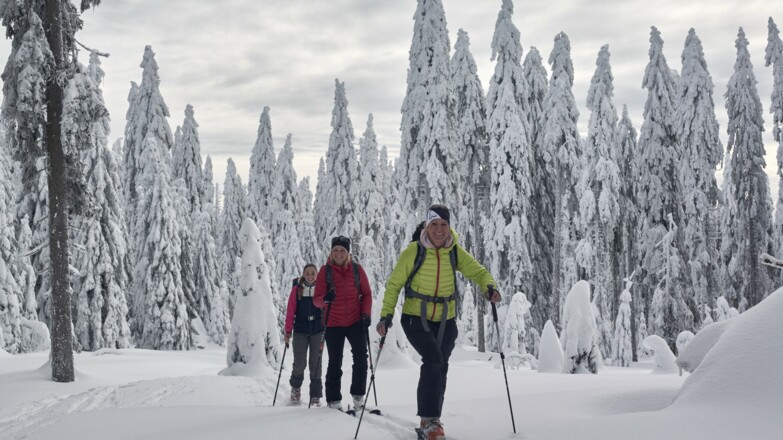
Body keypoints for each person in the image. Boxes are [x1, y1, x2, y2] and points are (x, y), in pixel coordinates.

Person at [376, 204, 500, 440]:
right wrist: (386, 315)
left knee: (441, 365)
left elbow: (478, 271)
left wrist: (489, 287)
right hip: (415, 317)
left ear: (449, 226)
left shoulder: (454, 251)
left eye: (444, 224)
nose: (439, 230)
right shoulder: (414, 251)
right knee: (433, 360)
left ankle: (431, 419)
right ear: (427, 225)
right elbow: (394, 284)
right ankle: (429, 421)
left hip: (446, 319)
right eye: (435, 224)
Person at [313, 236, 373, 412]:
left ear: (348, 253)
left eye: (342, 250)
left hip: (355, 321)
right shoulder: (325, 271)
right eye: (335, 250)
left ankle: (358, 396)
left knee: (361, 358)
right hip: (333, 322)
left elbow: (367, 294)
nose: (338, 253)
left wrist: (366, 314)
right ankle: (333, 399)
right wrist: (325, 299)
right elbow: (316, 300)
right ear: (331, 252)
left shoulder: (357, 270)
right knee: (335, 361)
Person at [284, 264, 323, 406]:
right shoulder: (297, 290)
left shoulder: (321, 289)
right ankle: (296, 389)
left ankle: (315, 396)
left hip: (317, 331)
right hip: (300, 331)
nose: (310, 276)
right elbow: (290, 312)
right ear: (303, 274)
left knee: (316, 364)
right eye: (307, 273)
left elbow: (327, 310)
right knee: (299, 364)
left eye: (313, 273)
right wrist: (288, 331)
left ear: (317, 274)